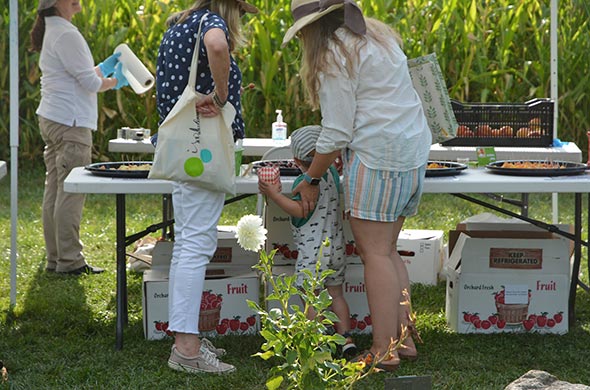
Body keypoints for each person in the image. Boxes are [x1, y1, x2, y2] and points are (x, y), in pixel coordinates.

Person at [282, 0, 432, 371]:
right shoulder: (376, 37)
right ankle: (404, 337)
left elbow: (335, 132)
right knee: (389, 250)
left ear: (311, 28)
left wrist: (312, 176)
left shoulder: (334, 53)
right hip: (411, 152)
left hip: (378, 157)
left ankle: (383, 350)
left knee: (375, 254)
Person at [155, 0, 258, 375]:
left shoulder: (177, 25)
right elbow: (217, 45)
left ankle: (187, 337)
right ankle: (186, 348)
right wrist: (220, 93)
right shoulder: (211, 24)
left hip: (185, 150)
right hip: (202, 149)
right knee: (197, 244)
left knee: (187, 244)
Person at [30, 0, 128, 275]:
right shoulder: (67, 34)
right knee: (70, 192)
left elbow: (79, 76)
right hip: (70, 123)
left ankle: (55, 258)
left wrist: (103, 68)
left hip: (54, 118)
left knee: (55, 190)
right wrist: (116, 80)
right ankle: (70, 261)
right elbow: (90, 84)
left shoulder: (56, 30)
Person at [258, 125, 358, 360]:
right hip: (336, 250)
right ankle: (347, 341)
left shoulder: (304, 184)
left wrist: (275, 195)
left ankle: (319, 343)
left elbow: (301, 211)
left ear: (295, 160)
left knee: (310, 297)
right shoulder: (333, 175)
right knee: (336, 295)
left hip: (314, 254)